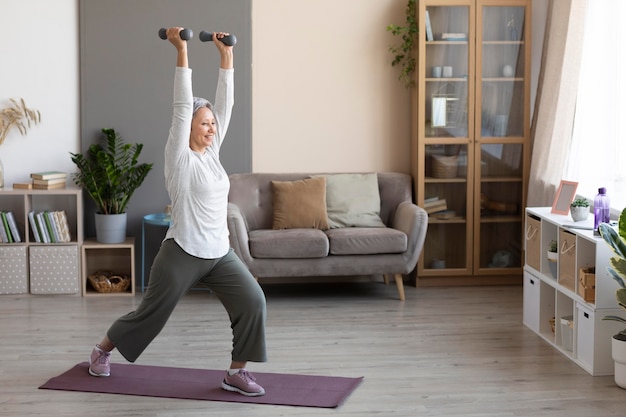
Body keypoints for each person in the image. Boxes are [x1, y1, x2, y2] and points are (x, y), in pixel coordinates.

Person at [87, 27, 268, 397]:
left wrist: (226, 56)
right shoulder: (179, 158)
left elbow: (226, 104)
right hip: (182, 251)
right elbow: (182, 105)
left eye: (212, 124)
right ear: (188, 128)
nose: (211, 128)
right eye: (205, 123)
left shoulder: (212, 154)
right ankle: (102, 349)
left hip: (219, 252)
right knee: (150, 316)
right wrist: (181, 50)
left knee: (253, 300)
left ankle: (236, 372)